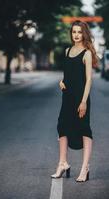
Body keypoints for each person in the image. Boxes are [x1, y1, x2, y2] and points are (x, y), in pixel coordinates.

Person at [51, 20, 98, 182]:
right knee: (62, 126)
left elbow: (89, 80)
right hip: (67, 96)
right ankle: (63, 163)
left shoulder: (86, 53)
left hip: (81, 98)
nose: (76, 35)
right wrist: (62, 82)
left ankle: (85, 167)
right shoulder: (67, 51)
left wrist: (84, 101)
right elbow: (67, 74)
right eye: (74, 32)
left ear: (84, 33)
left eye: (79, 32)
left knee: (84, 129)